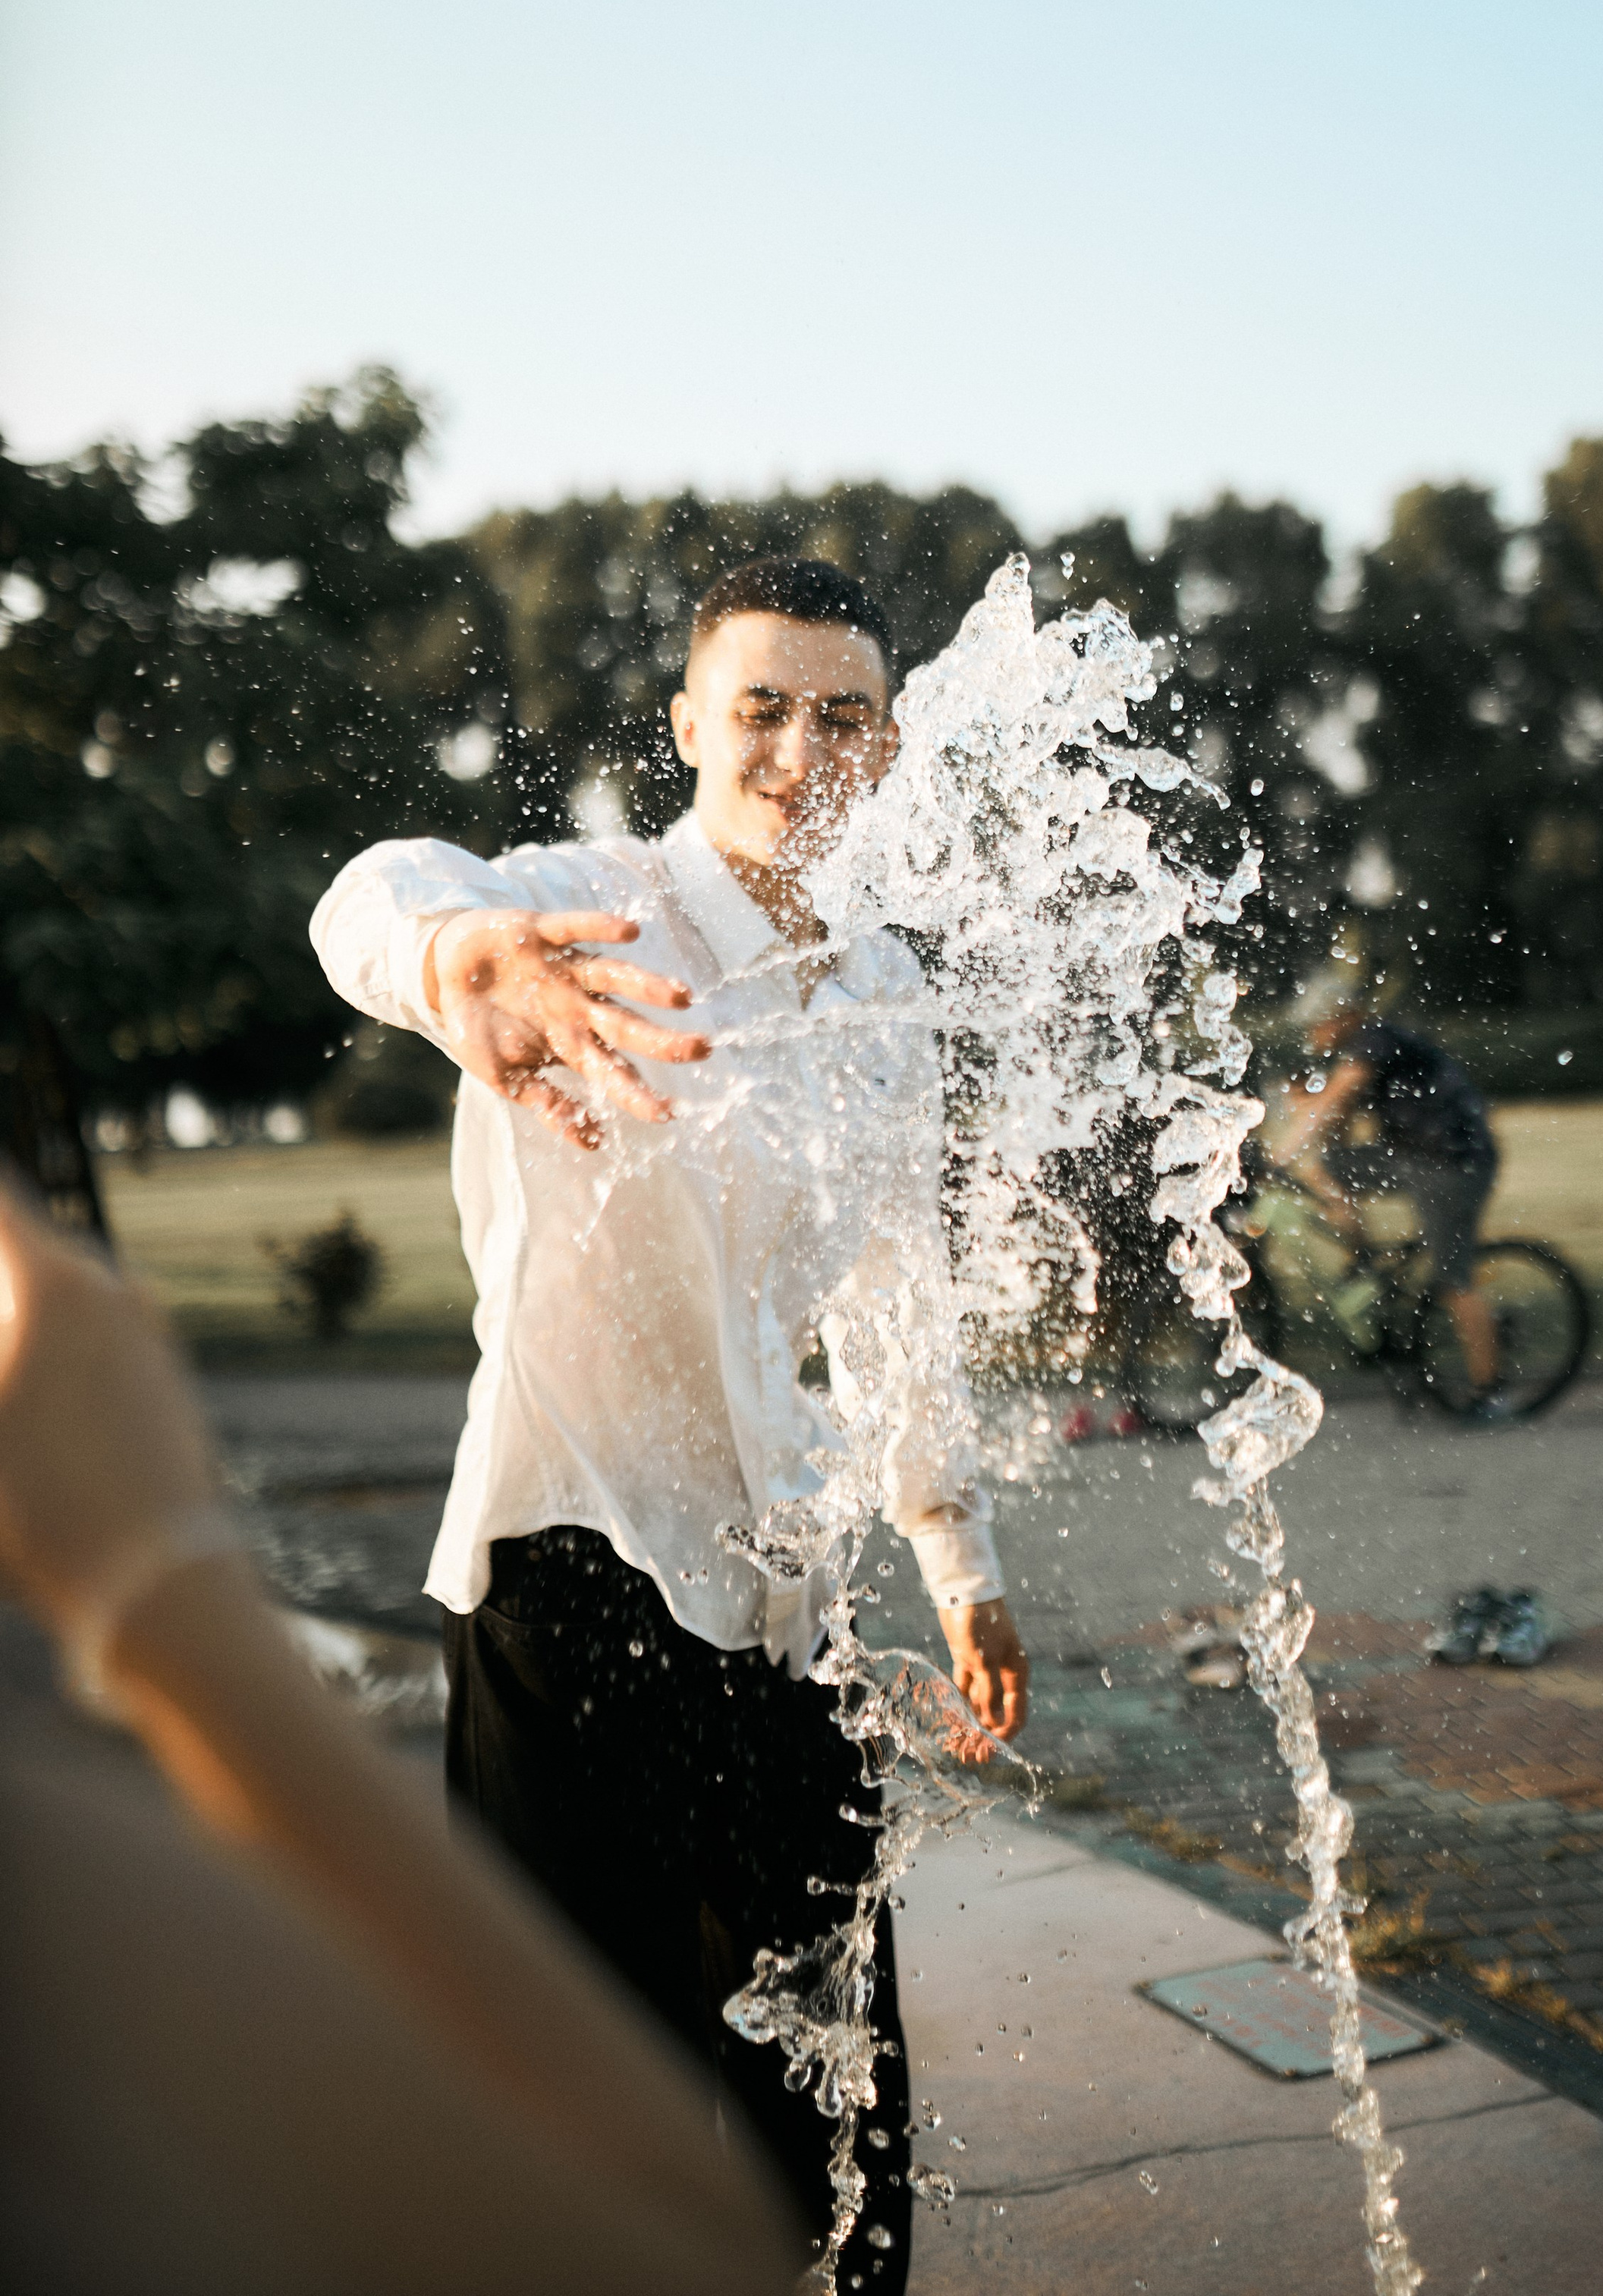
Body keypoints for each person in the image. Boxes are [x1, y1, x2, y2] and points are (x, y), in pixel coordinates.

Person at [310, 555, 1029, 2293]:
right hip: (569, 1574)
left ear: (887, 740)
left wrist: (956, 1557)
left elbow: (888, 1302)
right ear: (692, 721)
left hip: (786, 1592)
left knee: (830, 2088)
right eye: (762, 705)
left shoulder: (879, 993)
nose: (798, 745)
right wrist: (454, 952)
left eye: (839, 711)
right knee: (568, 2090)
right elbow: (367, 898)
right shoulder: (580, 903)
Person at [0, 1181, 797, 2294]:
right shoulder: (49, 1908)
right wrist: (163, 1600)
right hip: (558, 1547)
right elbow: (689, 2253)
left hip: (774, 1582)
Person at [1270, 965, 1505, 1400]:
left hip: (1450, 1165)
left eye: (1315, 1024)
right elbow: (1334, 1118)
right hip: (1414, 1158)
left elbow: (1336, 1098)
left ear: (1341, 1017)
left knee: (1454, 1280)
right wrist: (1305, 1114)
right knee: (1327, 1168)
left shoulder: (1374, 1040)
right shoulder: (1364, 1045)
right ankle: (1362, 1261)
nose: (1311, 1035)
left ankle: (1490, 1393)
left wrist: (1278, 1156)